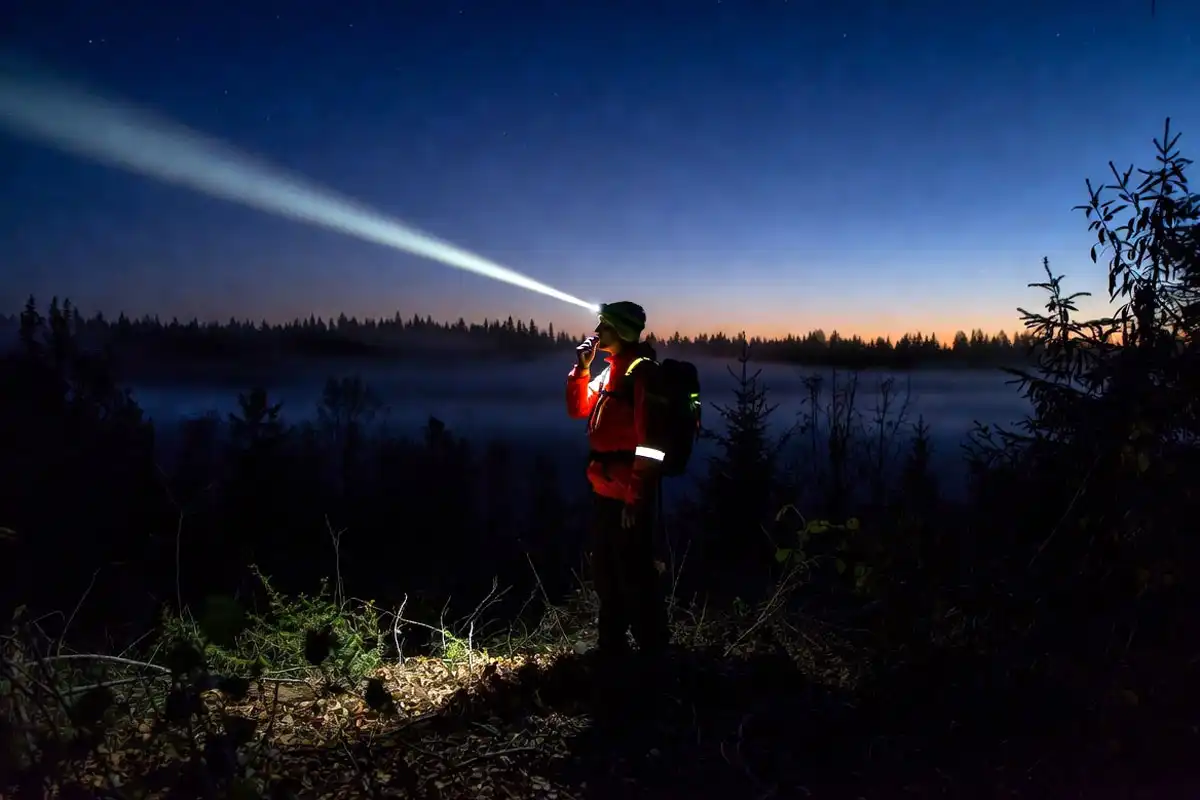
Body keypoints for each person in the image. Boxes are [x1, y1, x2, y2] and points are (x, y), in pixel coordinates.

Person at [565, 301, 669, 665]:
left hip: (627, 496)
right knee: (607, 572)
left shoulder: (642, 374)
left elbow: (652, 445)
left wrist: (635, 498)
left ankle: (653, 652)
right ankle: (612, 647)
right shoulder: (610, 373)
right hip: (604, 491)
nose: (596, 332)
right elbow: (578, 408)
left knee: (634, 574)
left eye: (604, 326)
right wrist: (582, 369)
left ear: (622, 332)